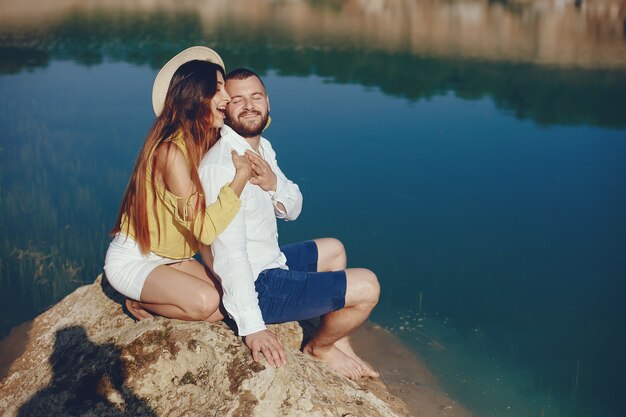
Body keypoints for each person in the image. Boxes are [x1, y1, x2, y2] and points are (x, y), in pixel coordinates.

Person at [199, 68, 381, 379]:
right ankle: (319, 349)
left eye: (256, 97)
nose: (249, 106)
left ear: (268, 101)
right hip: (259, 285)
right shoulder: (223, 165)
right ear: (224, 108)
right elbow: (229, 255)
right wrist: (253, 327)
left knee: (335, 249)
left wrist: (273, 184)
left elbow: (293, 209)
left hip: (272, 262)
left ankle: (340, 339)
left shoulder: (260, 147)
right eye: (238, 100)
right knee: (367, 286)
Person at [104, 47, 251, 322]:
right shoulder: (171, 152)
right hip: (135, 260)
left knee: (228, 303)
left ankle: (156, 297)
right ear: (196, 95)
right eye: (218, 88)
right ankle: (140, 301)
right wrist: (240, 178)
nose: (228, 97)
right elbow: (204, 231)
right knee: (207, 301)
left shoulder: (201, 140)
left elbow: (254, 126)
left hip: (172, 258)